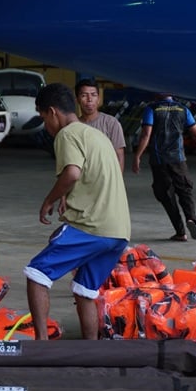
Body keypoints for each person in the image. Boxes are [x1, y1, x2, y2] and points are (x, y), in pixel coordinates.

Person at [25, 83, 130, 340]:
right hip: (119, 232)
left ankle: (41, 344)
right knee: (85, 289)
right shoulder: (96, 136)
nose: (46, 126)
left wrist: (49, 200)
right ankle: (91, 348)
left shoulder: (67, 134)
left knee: (36, 274)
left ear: (52, 112)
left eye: (43, 119)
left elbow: (72, 172)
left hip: (92, 227)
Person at [132, 95, 196, 241]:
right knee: (185, 190)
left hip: (159, 160)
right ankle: (191, 219)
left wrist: (137, 156)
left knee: (166, 195)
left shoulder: (151, 109)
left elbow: (146, 134)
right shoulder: (183, 109)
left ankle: (180, 232)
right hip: (178, 159)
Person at [76, 79, 126, 171]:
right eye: (84, 95)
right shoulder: (74, 127)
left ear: (98, 99)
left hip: (106, 181)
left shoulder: (111, 123)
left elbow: (119, 156)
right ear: (77, 99)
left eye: (93, 95)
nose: (89, 99)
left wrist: (117, 183)